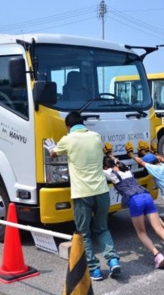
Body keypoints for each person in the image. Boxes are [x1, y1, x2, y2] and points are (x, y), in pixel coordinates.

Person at [43, 111, 121, 281]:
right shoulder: (95, 137)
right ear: (83, 123)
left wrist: (51, 148)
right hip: (102, 192)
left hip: (82, 194)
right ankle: (113, 260)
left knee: (84, 233)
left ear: (68, 126)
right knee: (102, 228)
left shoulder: (67, 139)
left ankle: (95, 270)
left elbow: (54, 153)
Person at [102, 146, 164, 272]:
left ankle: (157, 255)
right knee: (159, 229)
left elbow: (97, 169)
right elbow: (117, 162)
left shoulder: (110, 173)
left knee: (141, 233)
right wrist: (110, 155)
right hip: (146, 196)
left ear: (106, 167)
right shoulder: (126, 169)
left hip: (135, 200)